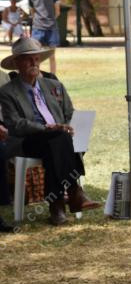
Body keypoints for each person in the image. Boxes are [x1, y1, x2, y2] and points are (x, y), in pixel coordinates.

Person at [0, 38, 99, 224]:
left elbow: (70, 113)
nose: (34, 63)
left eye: (36, 58)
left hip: (57, 140)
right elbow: (15, 124)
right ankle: (73, 191)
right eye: (28, 59)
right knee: (58, 139)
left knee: (56, 144)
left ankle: (57, 207)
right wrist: (46, 127)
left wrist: (67, 126)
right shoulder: (8, 92)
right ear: (17, 63)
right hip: (27, 141)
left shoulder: (54, 86)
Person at [28, 0, 60, 75]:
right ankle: (38, 77)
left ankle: (53, 77)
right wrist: (38, 21)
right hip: (38, 28)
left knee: (52, 55)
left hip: (51, 28)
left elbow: (57, 11)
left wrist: (50, 20)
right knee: (36, 56)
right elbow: (32, 12)